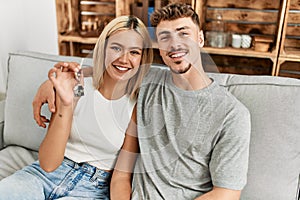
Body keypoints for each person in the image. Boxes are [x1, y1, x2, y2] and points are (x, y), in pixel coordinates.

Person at [33, 3, 251, 200]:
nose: (174, 44)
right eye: (165, 37)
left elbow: (227, 193)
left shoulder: (232, 114)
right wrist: (52, 83)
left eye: (183, 34)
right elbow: (111, 66)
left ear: (200, 38)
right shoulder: (149, 81)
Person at [0, 15, 153, 199]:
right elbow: (48, 163)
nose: (124, 59)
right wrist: (66, 104)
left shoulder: (136, 106)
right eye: (116, 48)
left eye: (134, 52)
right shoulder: (77, 86)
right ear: (103, 49)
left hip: (93, 189)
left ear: (143, 58)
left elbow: (121, 176)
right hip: (43, 175)